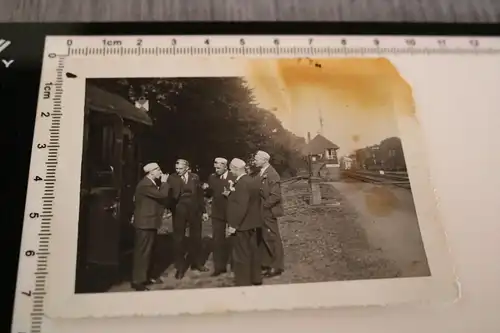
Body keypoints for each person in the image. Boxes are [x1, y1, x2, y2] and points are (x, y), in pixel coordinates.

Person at [131, 162, 170, 291]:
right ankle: (138, 281)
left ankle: (145, 277)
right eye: (158, 170)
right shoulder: (145, 185)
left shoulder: (150, 184)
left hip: (149, 222)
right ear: (151, 172)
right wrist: (164, 183)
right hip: (144, 223)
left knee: (148, 252)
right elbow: (162, 195)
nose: (160, 172)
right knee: (143, 253)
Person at [167, 159, 208, 279]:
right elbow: (169, 196)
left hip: (194, 210)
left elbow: (200, 195)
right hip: (179, 211)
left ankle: (196, 263)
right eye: (177, 168)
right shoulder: (172, 178)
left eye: (180, 168)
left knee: (196, 237)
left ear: (187, 167)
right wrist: (171, 209)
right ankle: (180, 268)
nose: (178, 171)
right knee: (179, 239)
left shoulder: (195, 177)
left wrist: (203, 211)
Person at [226, 158, 263, 286]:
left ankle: (243, 282)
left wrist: (234, 225)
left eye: (231, 169)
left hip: (243, 225)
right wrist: (231, 193)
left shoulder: (241, 183)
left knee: (241, 254)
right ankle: (256, 278)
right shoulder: (251, 180)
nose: (230, 171)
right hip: (253, 223)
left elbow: (242, 206)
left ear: (236, 169)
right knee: (253, 251)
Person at [254, 150, 285, 278]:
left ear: (264, 160)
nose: (254, 161)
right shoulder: (260, 173)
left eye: (256, 159)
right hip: (260, 211)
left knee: (272, 238)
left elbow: (276, 196)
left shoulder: (272, 174)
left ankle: (276, 266)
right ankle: (267, 263)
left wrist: (264, 207)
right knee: (264, 237)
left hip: (268, 211)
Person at [205, 157, 236, 276]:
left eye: (219, 167)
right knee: (217, 240)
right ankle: (219, 267)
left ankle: (235, 265)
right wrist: (206, 191)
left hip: (231, 212)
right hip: (217, 213)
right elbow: (210, 193)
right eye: (215, 167)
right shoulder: (212, 177)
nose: (216, 169)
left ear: (225, 166)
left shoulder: (233, 177)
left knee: (234, 238)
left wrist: (230, 195)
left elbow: (240, 194)